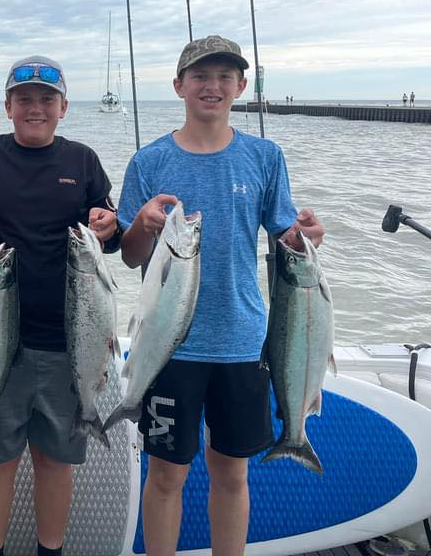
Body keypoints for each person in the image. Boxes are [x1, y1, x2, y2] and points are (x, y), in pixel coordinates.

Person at [116, 35, 325, 556]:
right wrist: (141, 224)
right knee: (166, 475)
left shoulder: (264, 155)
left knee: (231, 475)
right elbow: (130, 255)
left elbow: (285, 239)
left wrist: (305, 236)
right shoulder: (149, 161)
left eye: (224, 77)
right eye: (201, 76)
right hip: (169, 348)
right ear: (179, 85)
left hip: (243, 341)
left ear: (241, 86)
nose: (212, 86)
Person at [0, 56, 121, 556]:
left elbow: (108, 237)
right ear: (7, 106)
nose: (35, 108)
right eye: (24, 98)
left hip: (68, 341)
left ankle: (51, 550)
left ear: (64, 107)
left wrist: (108, 224)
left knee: (54, 461)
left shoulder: (84, 161)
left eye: (46, 99)